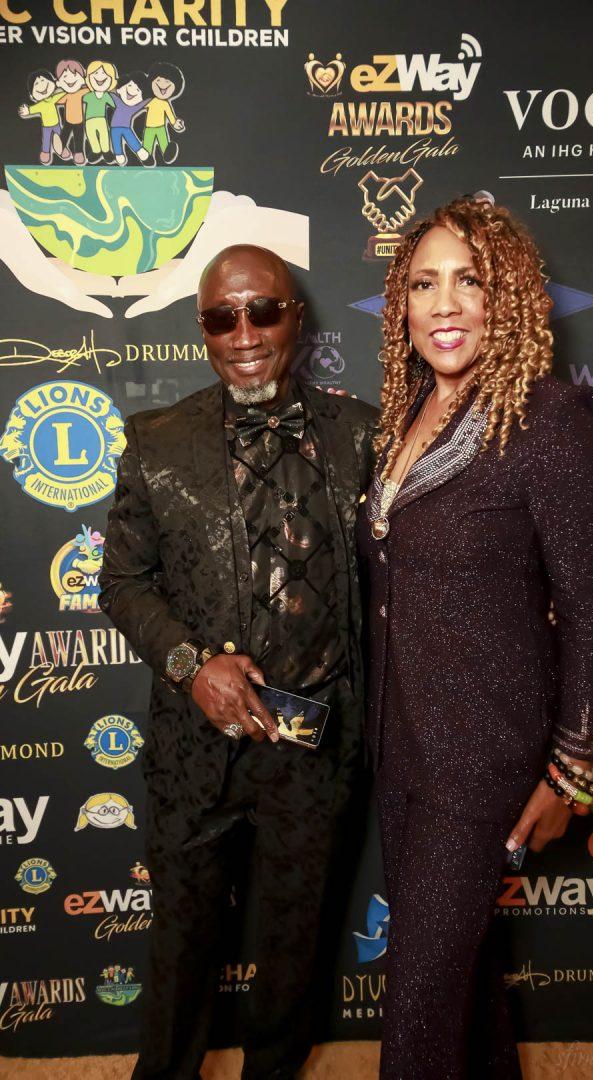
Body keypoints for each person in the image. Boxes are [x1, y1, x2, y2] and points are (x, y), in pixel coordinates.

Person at [99, 244, 378, 1080]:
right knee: (181, 946)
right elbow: (122, 582)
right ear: (204, 330)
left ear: (297, 317)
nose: (245, 334)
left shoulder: (362, 436)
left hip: (314, 747)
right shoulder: (156, 442)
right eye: (224, 318)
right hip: (196, 750)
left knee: (295, 946)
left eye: (263, 311)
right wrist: (192, 665)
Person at [357, 194, 593, 1079]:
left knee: (418, 1013)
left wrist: (572, 766)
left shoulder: (548, 423)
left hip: (480, 759)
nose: (444, 305)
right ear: (400, 303)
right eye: (423, 283)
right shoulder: (405, 416)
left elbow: (589, 609)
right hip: (401, 746)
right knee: (462, 990)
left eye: (469, 282)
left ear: (506, 298)